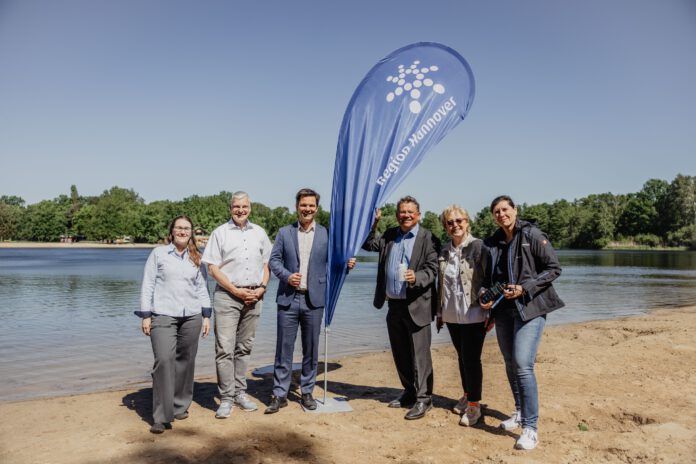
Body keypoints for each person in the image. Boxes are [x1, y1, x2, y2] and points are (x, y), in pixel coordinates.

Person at [480, 195, 564, 450]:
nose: (501, 214)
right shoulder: (493, 242)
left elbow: (553, 269)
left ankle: (531, 428)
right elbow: (492, 277)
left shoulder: (532, 235)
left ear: (515, 210)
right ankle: (518, 411)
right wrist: (487, 297)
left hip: (531, 308)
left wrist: (524, 288)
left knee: (522, 365)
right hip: (504, 310)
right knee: (509, 362)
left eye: (505, 209)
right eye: (496, 211)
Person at [266, 188, 355, 413]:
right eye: (303, 205)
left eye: (311, 205)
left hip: (314, 300)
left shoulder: (326, 234)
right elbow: (274, 261)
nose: (307, 209)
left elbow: (335, 263)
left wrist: (347, 264)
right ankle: (279, 394)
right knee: (283, 349)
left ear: (317, 208)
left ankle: (307, 392)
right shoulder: (284, 233)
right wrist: (287, 276)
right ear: (297, 206)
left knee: (311, 349)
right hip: (288, 299)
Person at [362, 196, 440, 420]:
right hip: (393, 304)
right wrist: (374, 223)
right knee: (400, 353)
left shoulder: (428, 238)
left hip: (417, 304)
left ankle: (424, 399)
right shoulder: (389, 235)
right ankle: (409, 391)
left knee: (420, 355)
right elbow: (368, 243)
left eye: (410, 212)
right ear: (397, 215)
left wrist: (417, 276)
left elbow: (433, 268)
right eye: (402, 212)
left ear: (418, 215)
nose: (405, 215)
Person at [137, 215, 211, 434]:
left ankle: (179, 405)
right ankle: (161, 415)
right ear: (172, 231)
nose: (182, 231)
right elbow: (148, 284)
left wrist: (206, 315)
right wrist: (146, 314)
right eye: (179, 227)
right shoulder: (158, 254)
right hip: (162, 315)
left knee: (186, 361)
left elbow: (202, 288)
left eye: (186, 228)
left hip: (192, 316)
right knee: (164, 360)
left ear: (191, 232)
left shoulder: (196, 257)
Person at [202, 191, 272, 418]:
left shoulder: (259, 233)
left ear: (250, 207)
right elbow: (212, 268)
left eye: (244, 206)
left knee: (244, 347)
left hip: (254, 296)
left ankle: (240, 392)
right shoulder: (219, 233)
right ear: (230, 208)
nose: (240, 210)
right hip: (227, 296)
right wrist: (235, 290)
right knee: (224, 349)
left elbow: (267, 263)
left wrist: (261, 288)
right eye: (236, 207)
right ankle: (226, 398)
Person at [436, 205, 488, 427]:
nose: (455, 225)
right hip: (451, 313)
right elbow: (442, 284)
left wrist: (491, 310)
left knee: (471, 359)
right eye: (450, 222)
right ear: (445, 226)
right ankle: (468, 394)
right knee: (461, 356)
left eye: (459, 221)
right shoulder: (444, 251)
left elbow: (489, 279)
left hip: (474, 313)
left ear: (467, 222)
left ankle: (474, 406)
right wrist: (440, 312)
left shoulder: (479, 247)